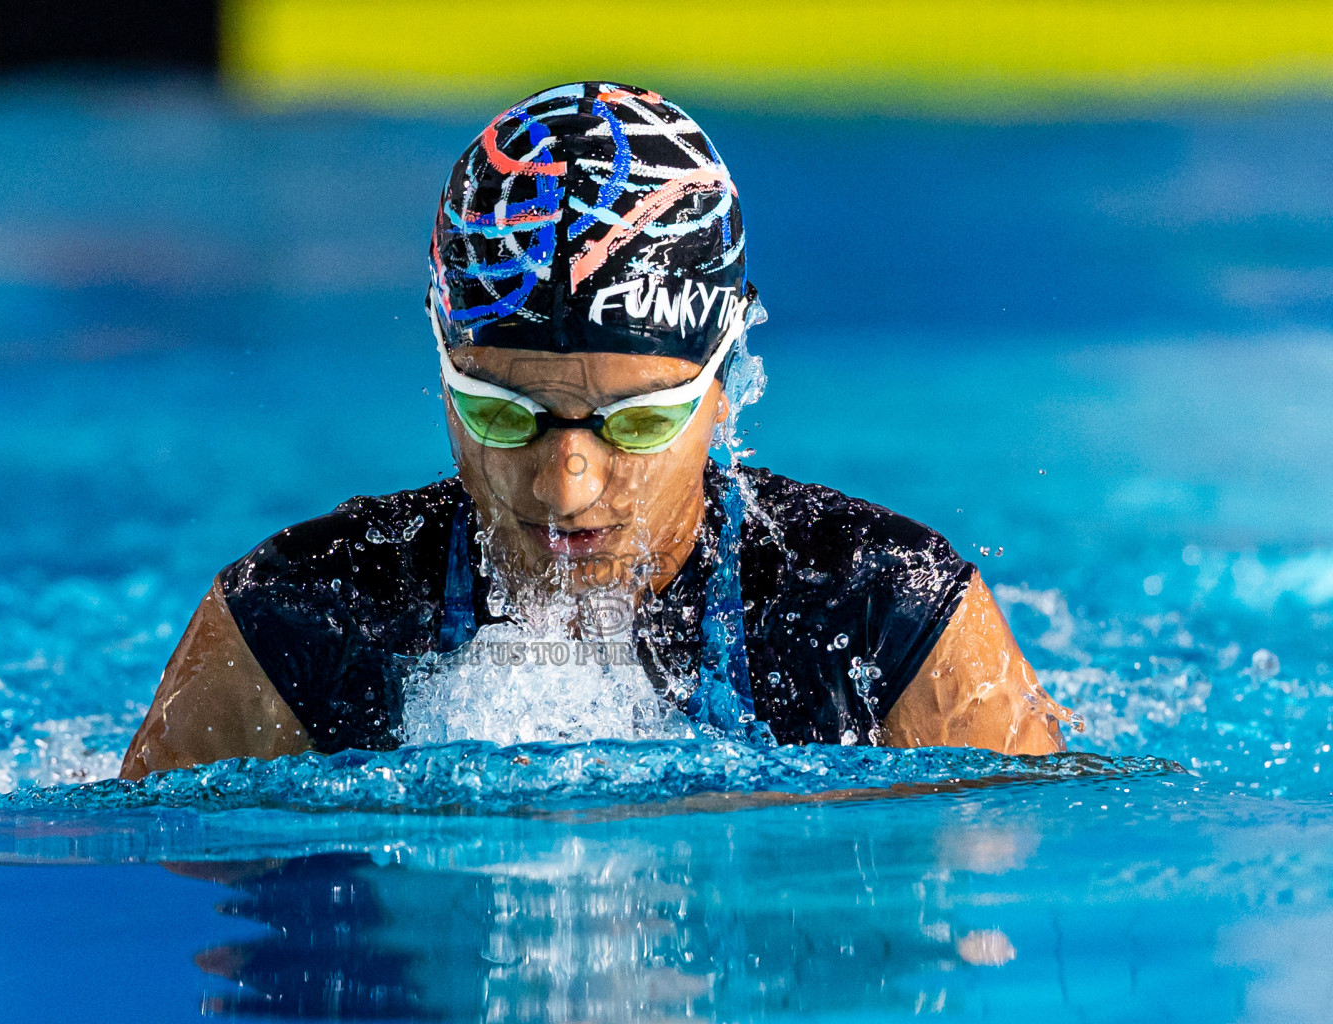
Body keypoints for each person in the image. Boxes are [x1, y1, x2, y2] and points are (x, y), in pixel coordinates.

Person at [121, 82, 1072, 780]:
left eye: (639, 422)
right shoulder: (296, 630)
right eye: (502, 414)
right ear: (443, 379)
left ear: (729, 384)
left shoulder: (886, 621)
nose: (566, 486)